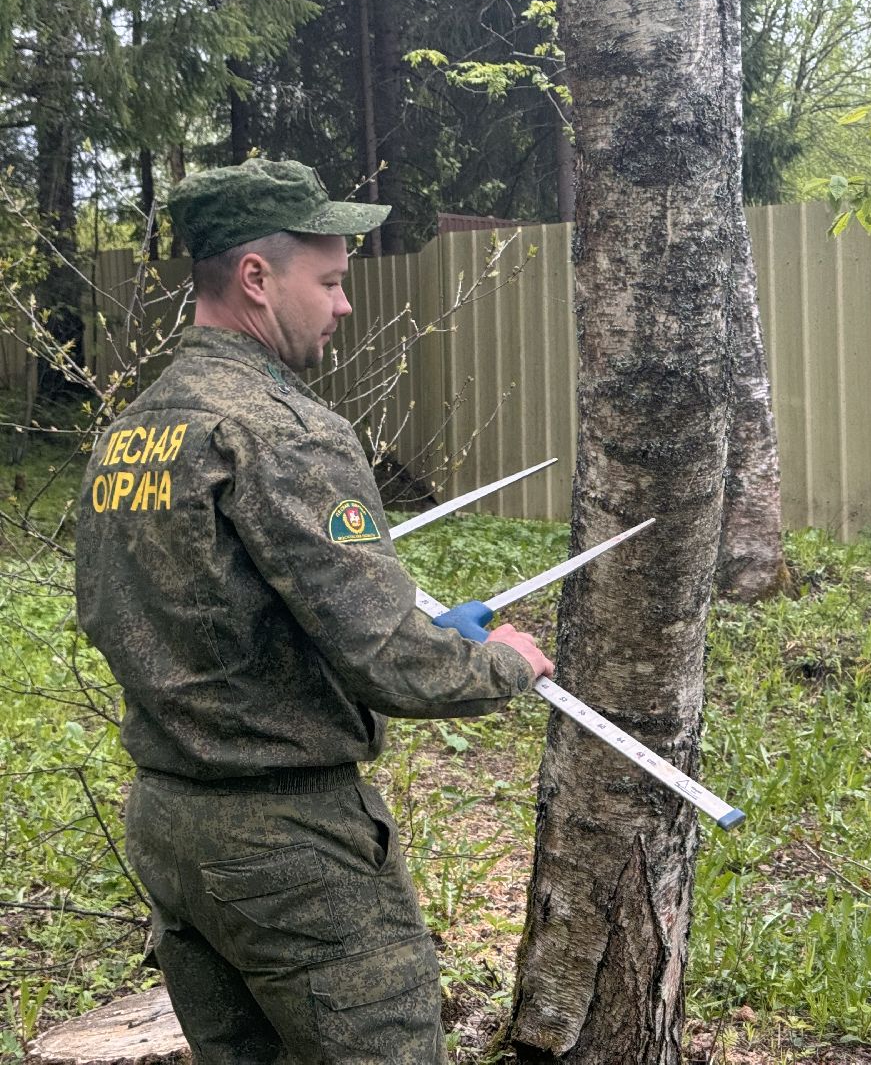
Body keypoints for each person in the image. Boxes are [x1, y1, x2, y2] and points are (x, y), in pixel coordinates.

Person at [74, 158, 553, 1064]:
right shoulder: (285, 432)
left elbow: (115, 614)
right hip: (292, 848)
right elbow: (386, 655)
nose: (343, 306)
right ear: (257, 277)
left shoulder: (133, 428)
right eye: (329, 281)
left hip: (172, 827)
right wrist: (506, 663)